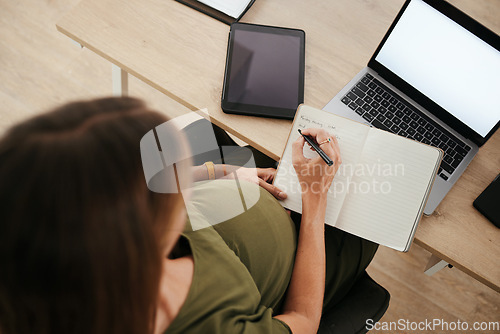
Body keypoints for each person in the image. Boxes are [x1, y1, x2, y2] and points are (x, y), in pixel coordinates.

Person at [0, 97, 377, 334]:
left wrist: (225, 172)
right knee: (373, 203)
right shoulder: (201, 323)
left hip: (253, 199)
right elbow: (303, 323)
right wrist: (314, 202)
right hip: (300, 259)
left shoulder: (65, 245)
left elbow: (157, 179)